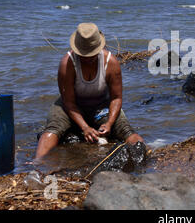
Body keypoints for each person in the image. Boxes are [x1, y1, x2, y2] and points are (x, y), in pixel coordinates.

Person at [35, 23, 143, 158]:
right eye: (84, 55)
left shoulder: (111, 62)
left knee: (126, 131)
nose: (88, 58)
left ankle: (143, 157)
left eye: (92, 55)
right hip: (70, 107)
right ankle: (37, 165)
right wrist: (84, 127)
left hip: (101, 106)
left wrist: (109, 123)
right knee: (53, 129)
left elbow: (116, 98)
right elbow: (68, 102)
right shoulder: (67, 63)